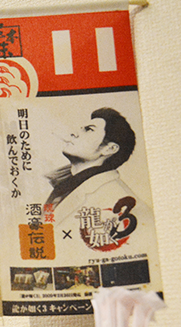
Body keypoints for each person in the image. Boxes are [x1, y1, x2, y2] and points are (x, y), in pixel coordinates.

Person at [45, 107, 148, 252]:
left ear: (110, 149)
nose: (74, 133)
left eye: (88, 130)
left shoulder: (121, 200)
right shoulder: (64, 183)